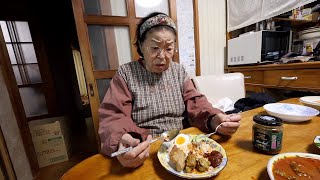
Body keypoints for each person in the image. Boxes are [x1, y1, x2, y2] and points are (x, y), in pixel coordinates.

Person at [98, 12, 241, 168]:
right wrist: (122, 139)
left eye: (169, 48)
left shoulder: (179, 71)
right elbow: (113, 115)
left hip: (183, 144)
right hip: (145, 149)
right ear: (140, 45)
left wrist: (214, 119)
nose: (162, 56)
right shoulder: (126, 74)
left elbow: (195, 102)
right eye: (154, 48)